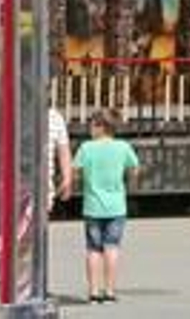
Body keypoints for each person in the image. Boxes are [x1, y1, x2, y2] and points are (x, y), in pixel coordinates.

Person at [73, 110, 140, 304]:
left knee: (93, 249)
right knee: (112, 248)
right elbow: (134, 168)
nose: (90, 128)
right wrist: (129, 182)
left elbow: (76, 172)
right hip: (116, 207)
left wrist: (81, 181)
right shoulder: (123, 147)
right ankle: (110, 291)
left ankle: (94, 292)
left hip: (92, 207)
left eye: (92, 124)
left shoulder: (86, 148)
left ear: (101, 127)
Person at [48, 106, 74, 214]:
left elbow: (63, 150)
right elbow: (64, 150)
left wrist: (67, 178)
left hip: (43, 185)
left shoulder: (55, 116)